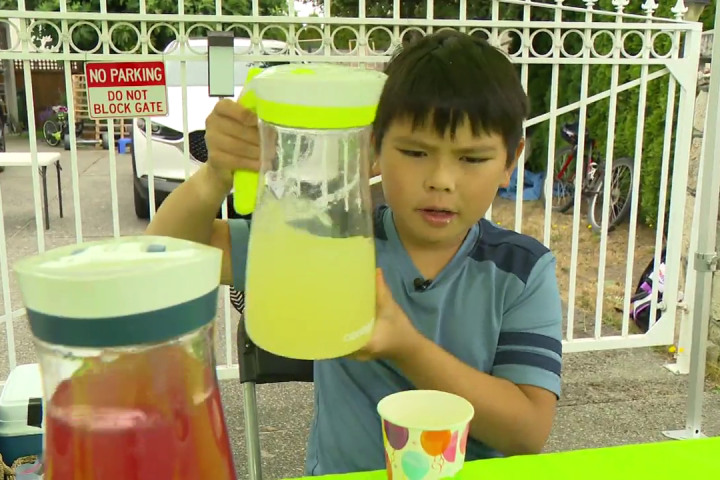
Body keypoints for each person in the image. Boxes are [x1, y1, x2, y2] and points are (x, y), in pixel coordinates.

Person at [146, 30, 563, 475]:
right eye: (415, 151)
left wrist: (408, 348)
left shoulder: (522, 271)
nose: (441, 179)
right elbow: (166, 254)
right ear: (375, 146)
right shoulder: (328, 239)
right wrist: (215, 177)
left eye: (472, 158)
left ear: (510, 161)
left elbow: (528, 431)